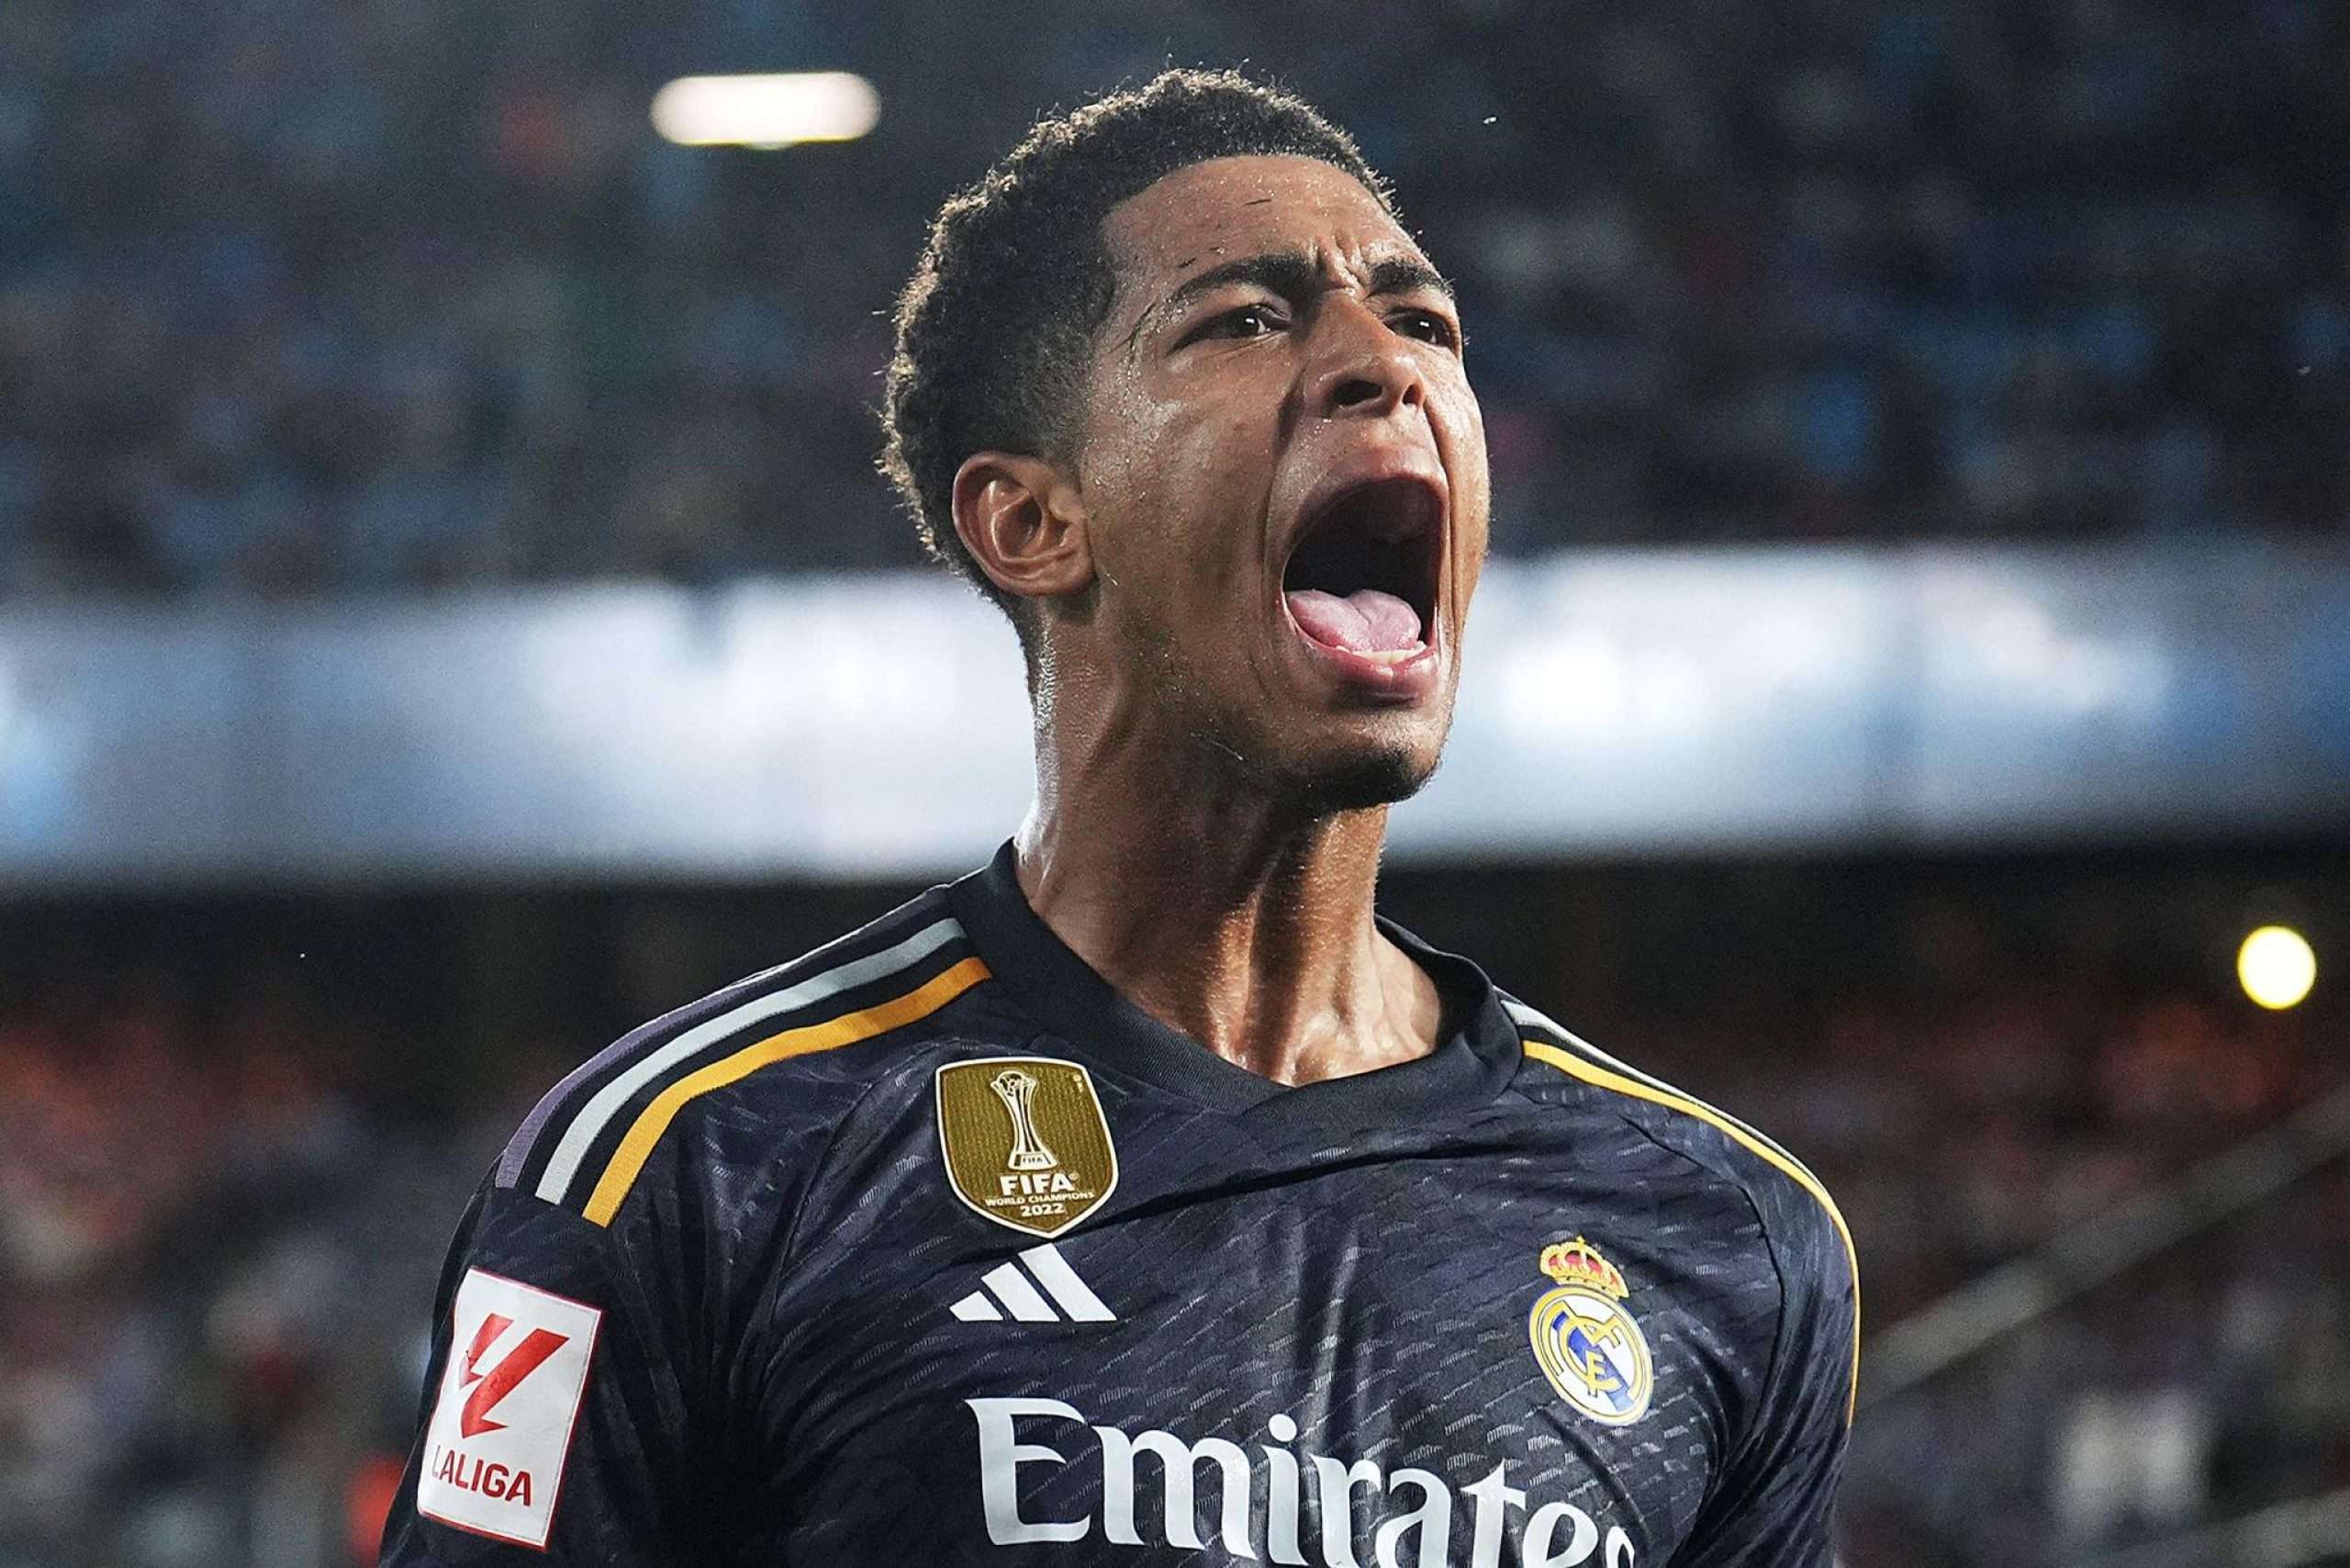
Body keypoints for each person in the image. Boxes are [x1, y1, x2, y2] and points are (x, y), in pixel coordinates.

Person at [377, 68, 1857, 1566]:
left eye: (1425, 323)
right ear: (1032, 522)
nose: (1382, 364)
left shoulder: (1726, 1237)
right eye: (1246, 320)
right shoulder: (699, 1159)